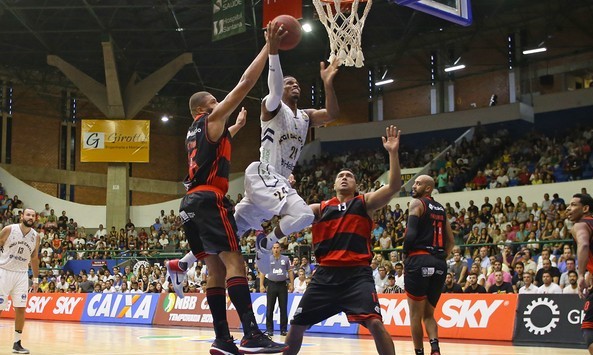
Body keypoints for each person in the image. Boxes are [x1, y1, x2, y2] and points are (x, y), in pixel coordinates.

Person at [164, 22, 287, 355]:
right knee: (234, 261)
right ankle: (250, 334)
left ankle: (221, 339)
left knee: (214, 268)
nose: (221, 105)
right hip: (209, 198)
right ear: (205, 108)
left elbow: (210, 147)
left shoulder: (193, 131)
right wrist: (269, 48)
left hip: (188, 204)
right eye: (216, 103)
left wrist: (234, 128)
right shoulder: (211, 118)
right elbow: (246, 82)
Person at [284, 125, 402, 355]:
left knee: (376, 323)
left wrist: (393, 153)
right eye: (341, 176)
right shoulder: (320, 208)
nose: (345, 178)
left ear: (356, 185)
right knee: (296, 325)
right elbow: (292, 213)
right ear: (334, 185)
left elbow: (395, 186)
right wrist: (288, 189)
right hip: (325, 276)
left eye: (349, 176)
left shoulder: (364, 203)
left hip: (357, 275)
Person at [235, 46, 340, 275]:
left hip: (275, 182)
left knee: (228, 231)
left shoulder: (305, 116)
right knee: (304, 214)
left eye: (297, 84)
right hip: (263, 173)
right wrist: (273, 51)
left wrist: (328, 84)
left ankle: (182, 263)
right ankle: (265, 243)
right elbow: (273, 88)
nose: (295, 85)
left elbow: (332, 115)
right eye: (289, 83)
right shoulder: (272, 107)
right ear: (280, 86)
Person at [403, 175, 454, 355]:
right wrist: (441, 259)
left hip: (418, 260)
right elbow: (451, 241)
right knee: (429, 314)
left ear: (428, 188)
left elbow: (410, 235)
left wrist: (405, 256)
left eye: (418, 183)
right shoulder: (441, 209)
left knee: (415, 316)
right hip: (439, 264)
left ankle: (419, 352)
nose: (414, 186)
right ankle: (435, 348)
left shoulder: (416, 204)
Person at [0, 208, 40, 354]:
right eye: (28, 214)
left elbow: (35, 258)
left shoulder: (36, 236)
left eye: (33, 215)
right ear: (22, 216)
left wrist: (35, 279)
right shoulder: (9, 229)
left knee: (21, 308)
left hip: (22, 274)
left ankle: (17, 343)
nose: (30, 217)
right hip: (3, 271)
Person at [566, 193, 593, 354]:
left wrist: (581, 274)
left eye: (573, 205)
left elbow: (583, 245)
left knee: (589, 333)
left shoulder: (581, 225)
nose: (568, 208)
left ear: (585, 209)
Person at [259, 242, 293, 336]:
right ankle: (269, 330)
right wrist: (261, 285)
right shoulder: (267, 259)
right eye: (274, 247)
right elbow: (262, 272)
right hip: (271, 285)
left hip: (282, 285)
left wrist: (291, 284)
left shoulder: (286, 259)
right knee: (270, 308)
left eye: (277, 247)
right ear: (272, 249)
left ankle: (283, 330)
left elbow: (290, 271)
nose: (276, 249)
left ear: (280, 249)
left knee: (283, 308)